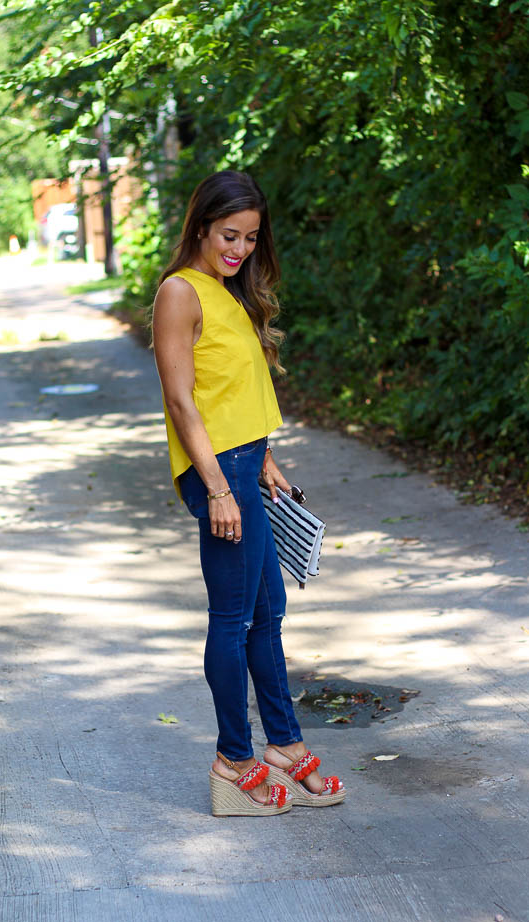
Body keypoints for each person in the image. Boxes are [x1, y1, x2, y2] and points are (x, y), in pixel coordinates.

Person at [152, 170, 345, 816]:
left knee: (269, 611)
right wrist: (217, 488)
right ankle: (234, 760)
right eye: (228, 235)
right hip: (216, 473)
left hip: (241, 464)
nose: (238, 249)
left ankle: (284, 746)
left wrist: (264, 460)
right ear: (201, 226)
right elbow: (182, 399)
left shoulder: (227, 292)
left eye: (251, 238)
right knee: (233, 619)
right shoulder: (181, 292)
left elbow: (226, 393)